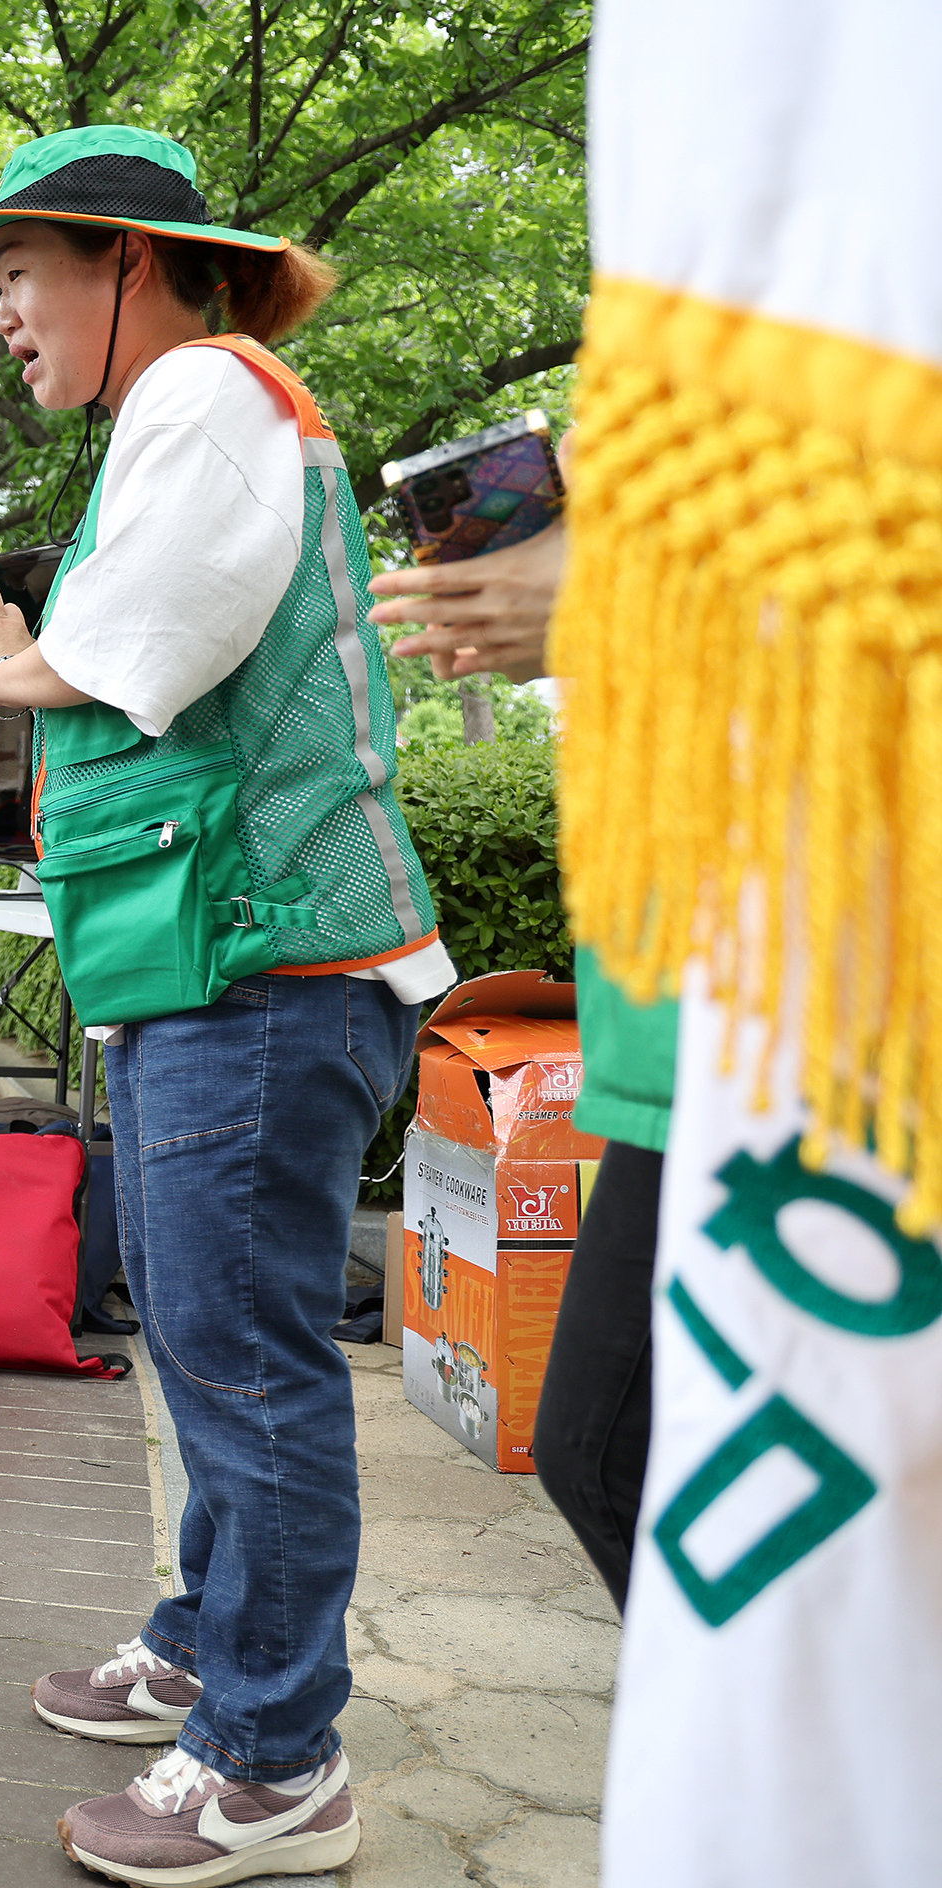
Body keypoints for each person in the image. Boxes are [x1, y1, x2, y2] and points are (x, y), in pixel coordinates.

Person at [0, 124, 454, 1885]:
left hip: (269, 971)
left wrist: (10, 660)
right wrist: (22, 651)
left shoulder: (217, 389)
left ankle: (277, 1761)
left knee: (249, 1365)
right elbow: (111, 654)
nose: (1, 313)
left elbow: (133, 654)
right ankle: (216, 1643)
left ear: (129, 262)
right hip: (218, 971)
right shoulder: (187, 414)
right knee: (219, 1350)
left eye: (19, 274)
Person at [365, 508, 671, 1607]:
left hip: (801, 1042)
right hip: (675, 1022)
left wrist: (624, 596)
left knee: (605, 1450)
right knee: (609, 1454)